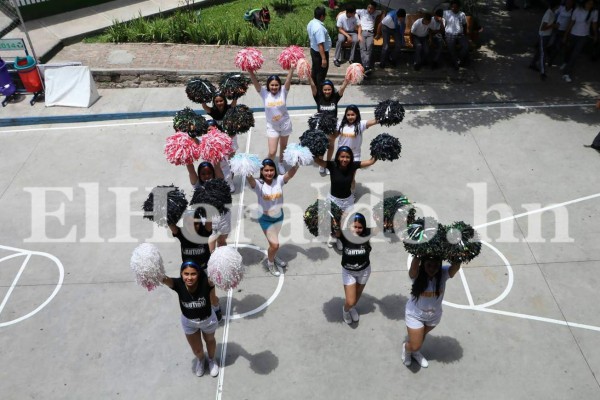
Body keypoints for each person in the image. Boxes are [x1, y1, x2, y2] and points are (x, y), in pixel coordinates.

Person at [161, 259, 220, 377]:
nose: (189, 277)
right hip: (189, 322)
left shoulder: (206, 282)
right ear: (181, 274)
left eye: (193, 274)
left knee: (210, 340)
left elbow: (218, 276)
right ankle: (201, 360)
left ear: (198, 274)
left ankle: (211, 360)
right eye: (186, 274)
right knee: (197, 350)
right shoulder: (177, 284)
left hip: (207, 320)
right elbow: (162, 278)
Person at [402, 256, 462, 368]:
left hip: (434, 316)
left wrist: (458, 254)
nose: (432, 268)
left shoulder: (443, 274)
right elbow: (414, 264)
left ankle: (415, 353)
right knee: (415, 345)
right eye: (429, 265)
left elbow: (456, 267)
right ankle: (407, 349)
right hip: (415, 315)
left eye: (436, 266)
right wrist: (418, 253)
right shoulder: (416, 273)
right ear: (423, 264)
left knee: (421, 336)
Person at [313, 146, 377, 249]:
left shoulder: (353, 166)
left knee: (344, 222)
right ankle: (334, 235)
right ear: (338, 157)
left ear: (351, 158)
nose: (345, 159)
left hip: (348, 201)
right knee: (334, 221)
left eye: (347, 157)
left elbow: (370, 161)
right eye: (342, 156)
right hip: (333, 200)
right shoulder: (332, 165)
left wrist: (377, 152)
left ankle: (338, 237)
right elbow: (317, 160)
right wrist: (314, 149)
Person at [246, 158, 299, 276]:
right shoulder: (258, 184)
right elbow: (250, 179)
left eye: (271, 170)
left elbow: (289, 175)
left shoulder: (279, 180)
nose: (269, 173)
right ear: (261, 171)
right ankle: (270, 263)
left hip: (279, 216)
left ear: (275, 171)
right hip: (266, 219)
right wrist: (246, 169)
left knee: (273, 243)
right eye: (266, 170)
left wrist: (296, 164)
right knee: (275, 245)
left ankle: (273, 256)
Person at [168, 207, 222, 321]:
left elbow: (210, 213)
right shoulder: (182, 234)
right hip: (189, 272)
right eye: (190, 224)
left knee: (211, 296)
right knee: (192, 297)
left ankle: (216, 308)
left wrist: (210, 199)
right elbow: (170, 223)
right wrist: (167, 211)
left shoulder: (205, 231)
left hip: (204, 270)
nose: (193, 226)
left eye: (196, 224)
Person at [248, 69, 294, 174]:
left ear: (279, 85)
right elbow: (256, 84)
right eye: (272, 85)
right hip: (272, 127)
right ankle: (266, 166)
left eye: (276, 85)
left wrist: (292, 68)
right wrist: (250, 71)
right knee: (272, 152)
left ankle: (280, 163)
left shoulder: (283, 91)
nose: (274, 87)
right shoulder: (264, 93)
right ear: (268, 86)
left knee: (283, 147)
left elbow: (288, 80)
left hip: (285, 124)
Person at [334, 212, 374, 324]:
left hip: (365, 271)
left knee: (356, 298)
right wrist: (340, 219)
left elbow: (383, 226)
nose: (357, 229)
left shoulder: (367, 233)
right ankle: (346, 310)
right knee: (350, 301)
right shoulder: (344, 233)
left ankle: (351, 308)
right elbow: (336, 231)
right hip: (348, 272)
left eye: (360, 227)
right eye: (354, 226)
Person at [185, 161, 232, 253]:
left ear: (213, 173)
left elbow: (217, 166)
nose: (206, 176)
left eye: (209, 173)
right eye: (203, 173)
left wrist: (215, 154)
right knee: (210, 248)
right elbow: (191, 170)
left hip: (223, 218)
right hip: (207, 221)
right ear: (199, 175)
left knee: (222, 243)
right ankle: (210, 266)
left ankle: (222, 264)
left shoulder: (220, 183)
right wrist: (187, 155)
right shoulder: (197, 186)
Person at [308, 75, 349, 174]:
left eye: (329, 89)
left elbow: (342, 88)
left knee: (331, 146)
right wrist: (309, 77)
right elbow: (313, 86)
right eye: (325, 90)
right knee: (322, 146)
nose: (327, 92)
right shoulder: (318, 97)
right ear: (322, 90)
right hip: (321, 126)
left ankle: (328, 164)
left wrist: (346, 80)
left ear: (332, 89)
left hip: (332, 127)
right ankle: (322, 165)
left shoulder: (335, 97)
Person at [561, 0, 598, 83]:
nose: (590, 5)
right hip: (573, 34)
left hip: (583, 36)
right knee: (569, 51)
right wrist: (565, 35)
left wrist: (596, 35)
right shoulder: (578, 10)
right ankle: (565, 62)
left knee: (575, 54)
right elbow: (571, 23)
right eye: (589, 3)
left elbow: (594, 24)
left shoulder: (594, 12)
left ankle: (566, 73)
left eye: (592, 4)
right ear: (584, 3)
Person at [529, 0, 560, 81]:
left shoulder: (552, 12)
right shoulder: (548, 14)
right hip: (543, 36)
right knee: (543, 54)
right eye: (558, 7)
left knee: (540, 51)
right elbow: (543, 27)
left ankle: (533, 64)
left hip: (546, 35)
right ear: (555, 6)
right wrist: (553, 26)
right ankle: (542, 72)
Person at [307, 6, 332, 85]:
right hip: (320, 54)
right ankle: (320, 90)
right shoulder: (319, 28)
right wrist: (324, 59)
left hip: (314, 51)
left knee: (315, 71)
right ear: (322, 16)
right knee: (321, 74)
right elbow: (320, 44)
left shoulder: (311, 22)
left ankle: (315, 87)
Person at [357, 1, 383, 74]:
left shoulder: (376, 12)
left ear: (374, 9)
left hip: (371, 33)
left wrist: (381, 20)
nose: (369, 9)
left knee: (369, 47)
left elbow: (383, 12)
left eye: (371, 8)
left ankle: (365, 65)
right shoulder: (362, 11)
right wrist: (340, 13)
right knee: (362, 48)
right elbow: (350, 11)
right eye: (368, 7)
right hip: (362, 32)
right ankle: (366, 66)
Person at [443, 0, 469, 70]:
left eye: (456, 7)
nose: (454, 9)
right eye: (452, 7)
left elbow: (465, 25)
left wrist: (465, 35)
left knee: (466, 47)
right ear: (450, 7)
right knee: (451, 48)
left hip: (460, 34)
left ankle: (458, 59)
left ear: (459, 7)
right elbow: (437, 18)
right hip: (449, 34)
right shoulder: (446, 13)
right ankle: (456, 63)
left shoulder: (462, 14)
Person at [548, 0, 575, 67]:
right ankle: (550, 57)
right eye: (567, 1)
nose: (568, 3)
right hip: (557, 29)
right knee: (554, 43)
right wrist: (553, 23)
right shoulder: (561, 8)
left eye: (570, 2)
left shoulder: (573, 11)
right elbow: (554, 14)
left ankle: (551, 60)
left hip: (565, 31)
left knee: (558, 46)